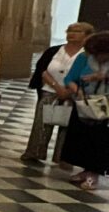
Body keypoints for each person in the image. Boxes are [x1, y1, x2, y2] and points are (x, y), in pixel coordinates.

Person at [22, 22, 94, 163]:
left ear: (87, 36)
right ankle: (35, 152)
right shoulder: (54, 51)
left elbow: (87, 75)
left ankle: (63, 157)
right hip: (49, 90)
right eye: (69, 31)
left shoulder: (87, 55)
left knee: (68, 127)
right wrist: (57, 87)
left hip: (74, 94)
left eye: (77, 31)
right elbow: (42, 69)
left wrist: (69, 91)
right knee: (42, 123)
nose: (72, 34)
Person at [59, 31, 109, 190]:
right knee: (80, 137)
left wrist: (101, 77)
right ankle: (84, 170)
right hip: (84, 103)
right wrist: (77, 90)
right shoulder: (84, 57)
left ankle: (94, 173)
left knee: (99, 139)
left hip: (105, 106)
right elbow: (70, 79)